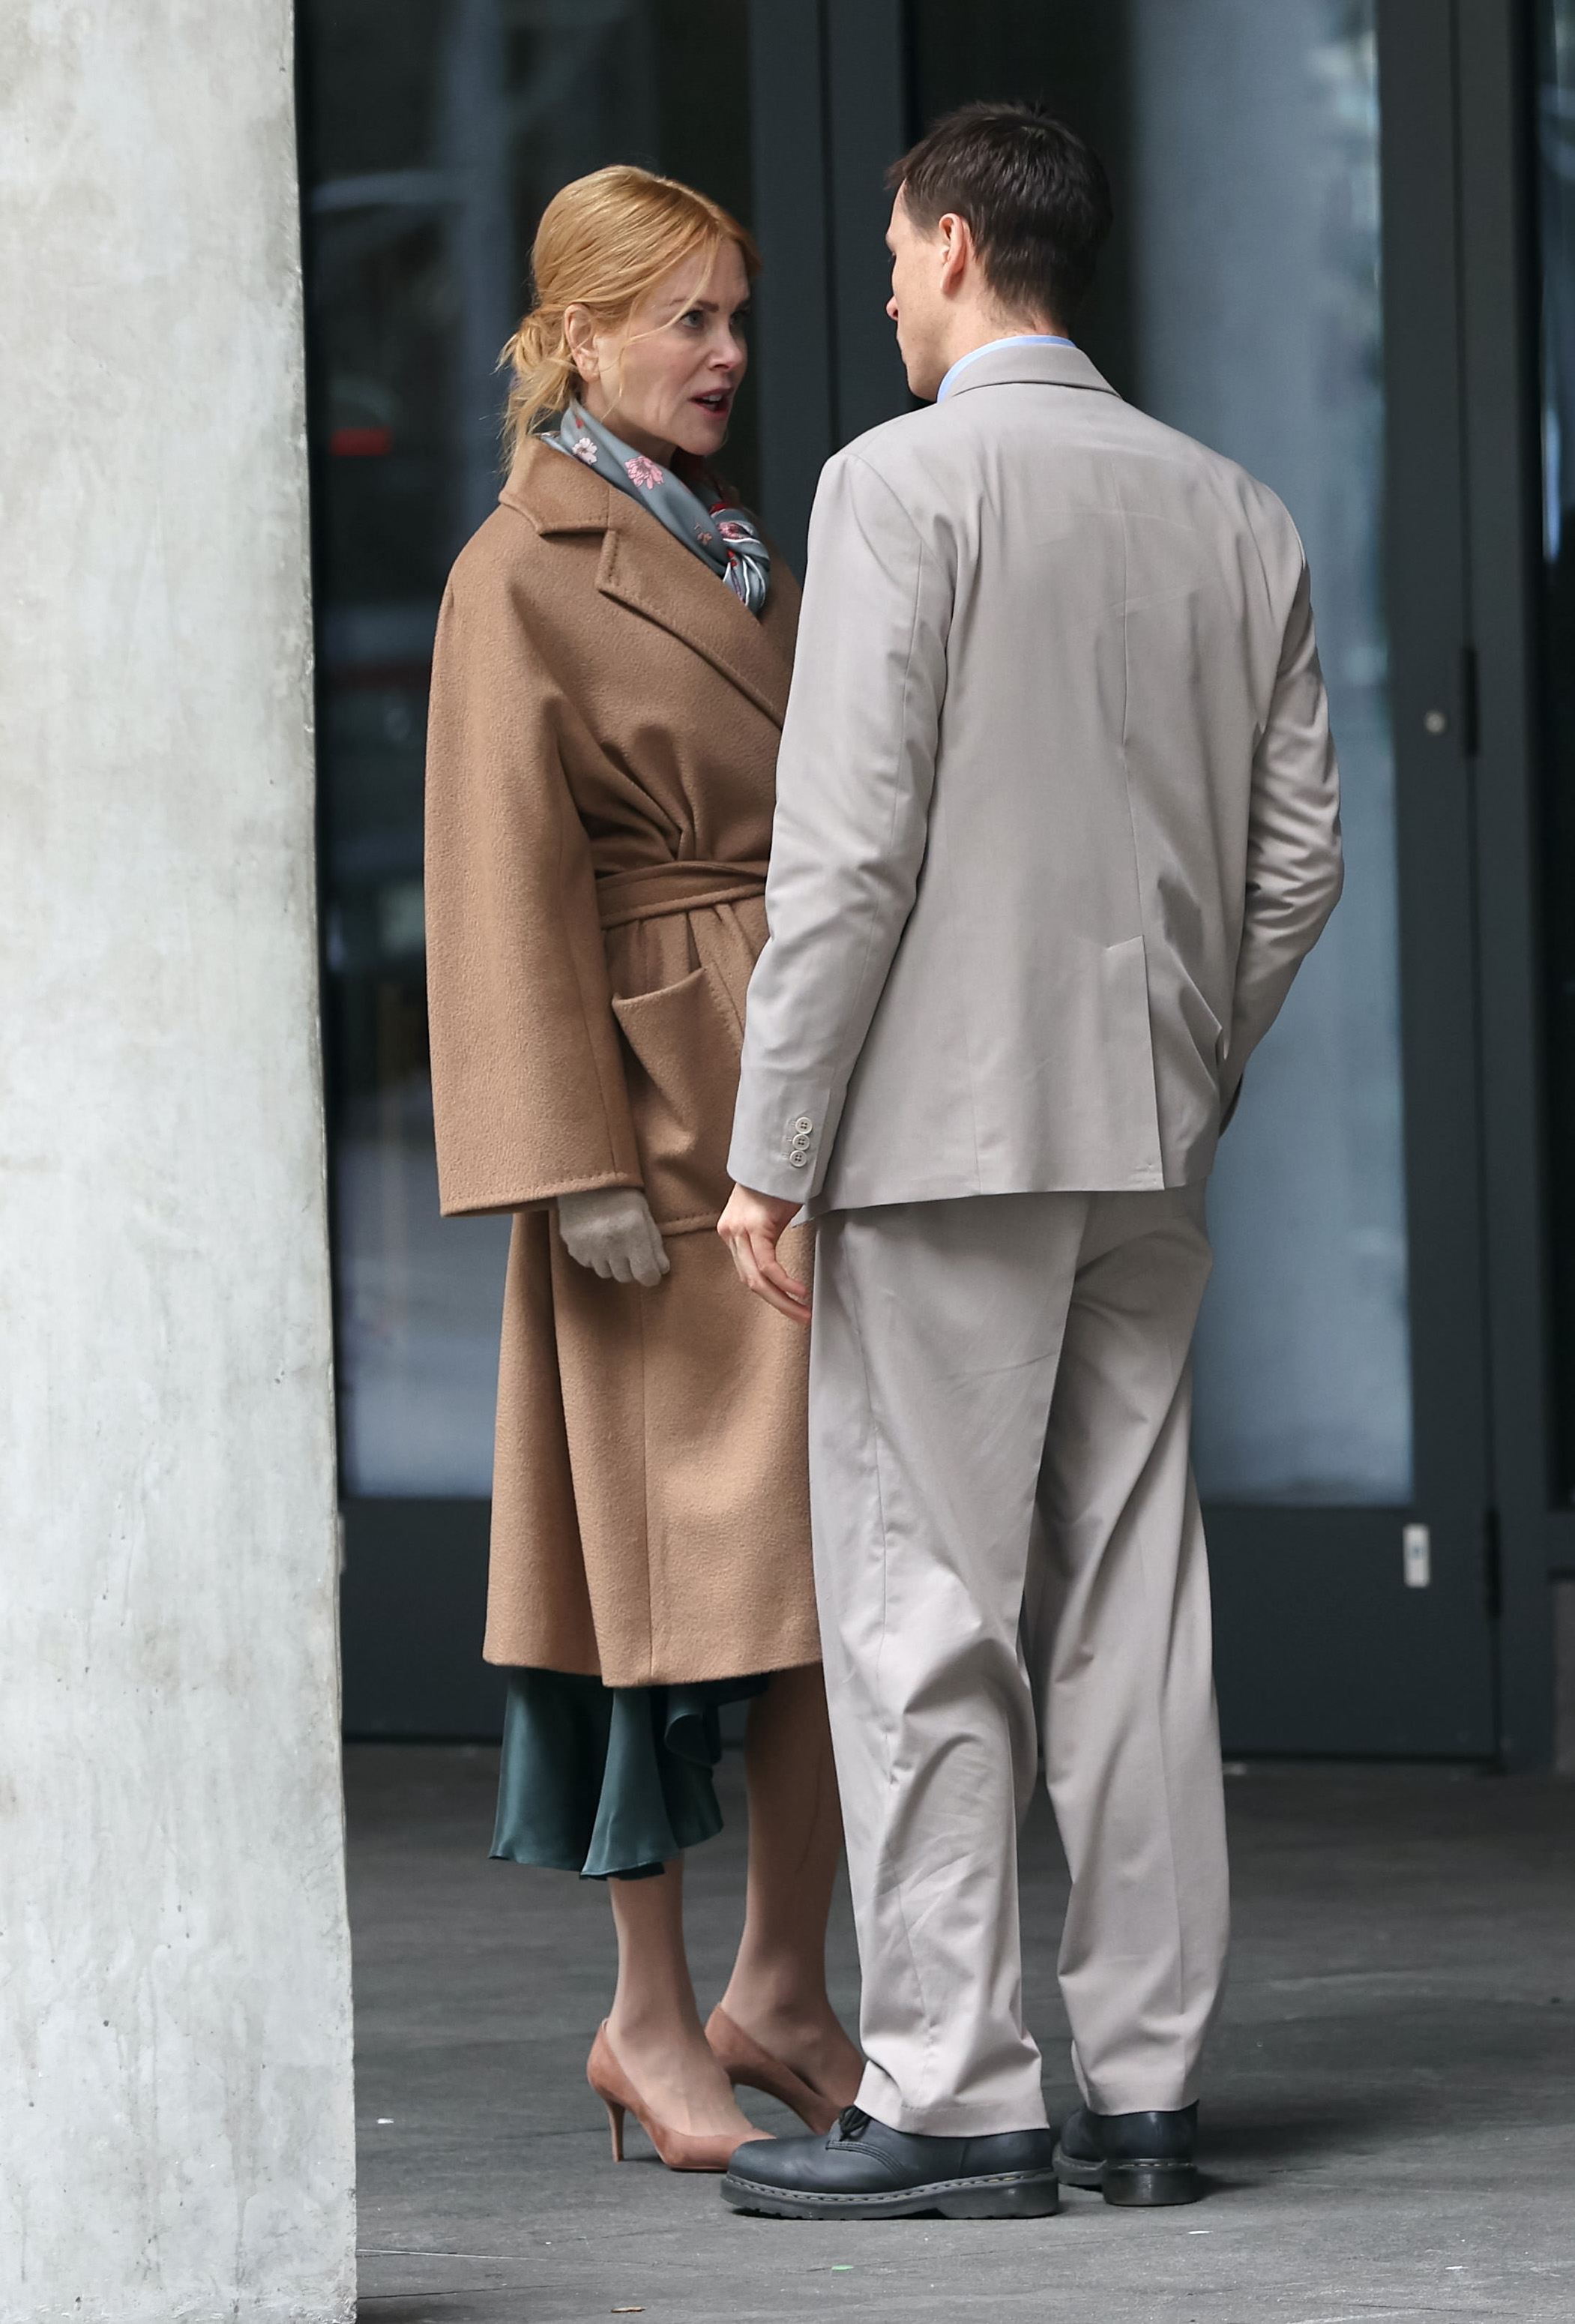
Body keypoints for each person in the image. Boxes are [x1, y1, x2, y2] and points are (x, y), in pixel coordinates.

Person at [716, 103, 1344, 2220]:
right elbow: (1301, 858)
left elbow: (850, 853)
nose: (883, 290)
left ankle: (958, 2089)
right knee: (1135, 1614)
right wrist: (1182, 1063)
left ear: (964, 245)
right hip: (1142, 1139)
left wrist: (767, 1150)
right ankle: (1150, 2091)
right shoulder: (1231, 506)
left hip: (929, 1139)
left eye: (895, 254)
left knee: (921, 1611)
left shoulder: (897, 487)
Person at [423, 164, 862, 2176]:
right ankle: (645, 2016)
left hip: (784, 1092)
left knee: (806, 1577)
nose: (725, 356)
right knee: (649, 1591)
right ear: (580, 334)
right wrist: (559, 1159)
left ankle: (782, 1983)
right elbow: (494, 876)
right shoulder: (518, 564)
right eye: (685, 319)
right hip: (646, 1125)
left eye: (737, 317)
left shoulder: (747, 549)